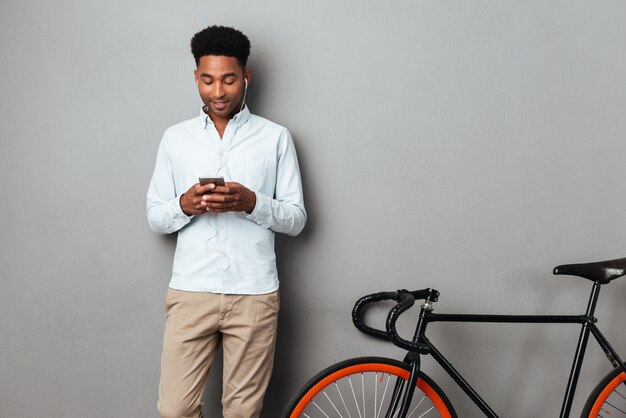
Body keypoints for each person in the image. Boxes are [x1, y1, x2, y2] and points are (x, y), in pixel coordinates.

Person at [146, 25, 306, 418]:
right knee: (175, 411)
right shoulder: (175, 138)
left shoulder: (275, 138)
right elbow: (155, 217)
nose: (218, 92)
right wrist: (185, 204)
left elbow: (297, 220)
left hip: (254, 293)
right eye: (208, 80)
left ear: (246, 77)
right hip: (191, 291)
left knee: (242, 413)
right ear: (196, 78)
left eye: (229, 79)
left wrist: (252, 202)